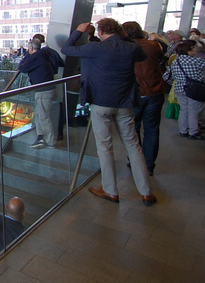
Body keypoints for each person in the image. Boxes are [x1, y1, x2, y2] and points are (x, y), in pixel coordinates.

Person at [61, 19, 156, 206]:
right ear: (119, 31)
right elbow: (142, 56)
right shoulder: (131, 47)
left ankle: (111, 191)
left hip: (101, 102)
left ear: (101, 31)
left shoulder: (95, 48)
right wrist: (123, 36)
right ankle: (146, 192)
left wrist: (79, 31)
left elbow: (66, 49)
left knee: (105, 147)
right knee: (133, 145)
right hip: (125, 102)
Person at [122, 21, 168, 176]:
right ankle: (149, 165)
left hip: (134, 93)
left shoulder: (125, 47)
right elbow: (160, 60)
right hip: (155, 90)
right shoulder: (154, 45)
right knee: (152, 129)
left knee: (132, 129)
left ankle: (135, 161)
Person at [163, 40, 205, 140]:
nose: (195, 49)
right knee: (193, 110)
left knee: (184, 110)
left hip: (179, 88)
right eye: (193, 47)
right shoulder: (195, 61)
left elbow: (171, 75)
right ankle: (193, 132)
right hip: (194, 88)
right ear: (188, 50)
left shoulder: (176, 61)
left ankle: (183, 130)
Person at [19, 39, 57, 149]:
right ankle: (41, 137)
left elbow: (22, 68)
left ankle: (50, 141)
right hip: (46, 89)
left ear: (31, 48)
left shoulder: (36, 57)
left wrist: (27, 54)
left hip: (44, 91)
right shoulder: (44, 55)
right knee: (39, 114)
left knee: (43, 116)